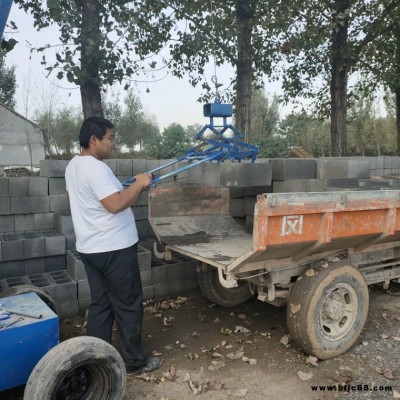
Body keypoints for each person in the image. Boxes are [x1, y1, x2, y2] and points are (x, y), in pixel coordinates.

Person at [65, 115, 162, 375]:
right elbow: (115, 204)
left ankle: (94, 360)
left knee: (102, 304)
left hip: (90, 248)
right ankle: (134, 362)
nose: (112, 143)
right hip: (113, 249)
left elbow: (95, 199)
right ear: (94, 140)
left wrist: (126, 186)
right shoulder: (95, 168)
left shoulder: (73, 165)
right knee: (128, 304)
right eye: (109, 138)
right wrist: (140, 184)